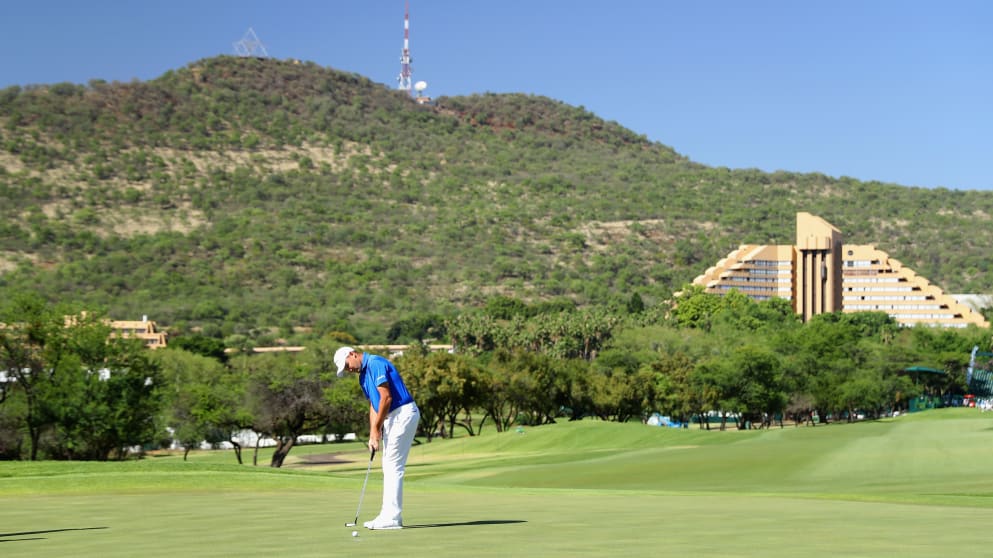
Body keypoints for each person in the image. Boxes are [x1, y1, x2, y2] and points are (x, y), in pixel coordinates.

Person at [335, 346, 420, 530]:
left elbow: (386, 398)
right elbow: (374, 405)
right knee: (388, 466)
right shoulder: (362, 377)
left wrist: (376, 429)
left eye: (347, 365)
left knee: (393, 466)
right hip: (392, 418)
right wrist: (373, 432)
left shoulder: (375, 363)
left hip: (402, 413)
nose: (349, 369)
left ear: (352, 354)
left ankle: (392, 517)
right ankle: (387, 515)